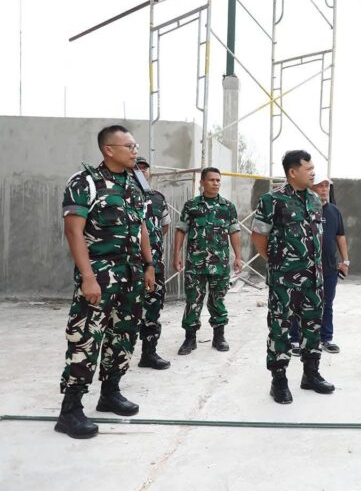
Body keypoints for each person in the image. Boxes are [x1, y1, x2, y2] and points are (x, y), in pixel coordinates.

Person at [55, 125, 156, 439]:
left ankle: (110, 392)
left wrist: (149, 265)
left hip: (131, 276)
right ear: (109, 149)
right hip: (99, 276)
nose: (135, 150)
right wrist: (87, 277)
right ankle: (70, 410)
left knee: (123, 336)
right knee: (86, 338)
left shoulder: (134, 183)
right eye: (129, 146)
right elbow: (74, 231)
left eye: (135, 145)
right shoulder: (84, 182)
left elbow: (141, 228)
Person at [251, 150, 335, 404]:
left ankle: (311, 374)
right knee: (280, 329)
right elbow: (259, 236)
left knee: (313, 326)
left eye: (313, 168)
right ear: (292, 172)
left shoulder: (313, 198)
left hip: (313, 278)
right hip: (284, 280)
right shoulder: (272, 200)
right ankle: (279, 380)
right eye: (308, 168)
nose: (313, 172)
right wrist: (277, 263)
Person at [173, 167, 243, 355]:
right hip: (195, 264)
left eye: (218, 180)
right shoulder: (191, 206)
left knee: (217, 300)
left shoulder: (228, 207)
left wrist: (238, 256)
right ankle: (190, 339)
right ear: (202, 183)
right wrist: (176, 254)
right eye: (211, 180)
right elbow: (181, 229)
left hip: (219, 264)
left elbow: (234, 232)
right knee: (193, 301)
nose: (216, 183)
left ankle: (219, 337)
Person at [289, 177, 349, 355]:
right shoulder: (300, 209)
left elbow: (340, 236)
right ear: (311, 188)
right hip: (303, 267)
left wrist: (345, 261)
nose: (324, 189)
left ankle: (325, 338)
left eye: (327, 186)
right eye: (320, 186)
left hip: (329, 268)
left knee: (326, 304)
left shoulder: (334, 211)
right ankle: (295, 340)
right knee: (298, 304)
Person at [135, 156, 171, 370]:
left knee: (153, 309)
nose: (142, 171)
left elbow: (164, 226)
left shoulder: (158, 198)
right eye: (137, 168)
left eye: (145, 168)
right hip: (129, 266)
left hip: (155, 265)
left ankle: (149, 353)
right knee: (125, 313)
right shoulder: (124, 195)